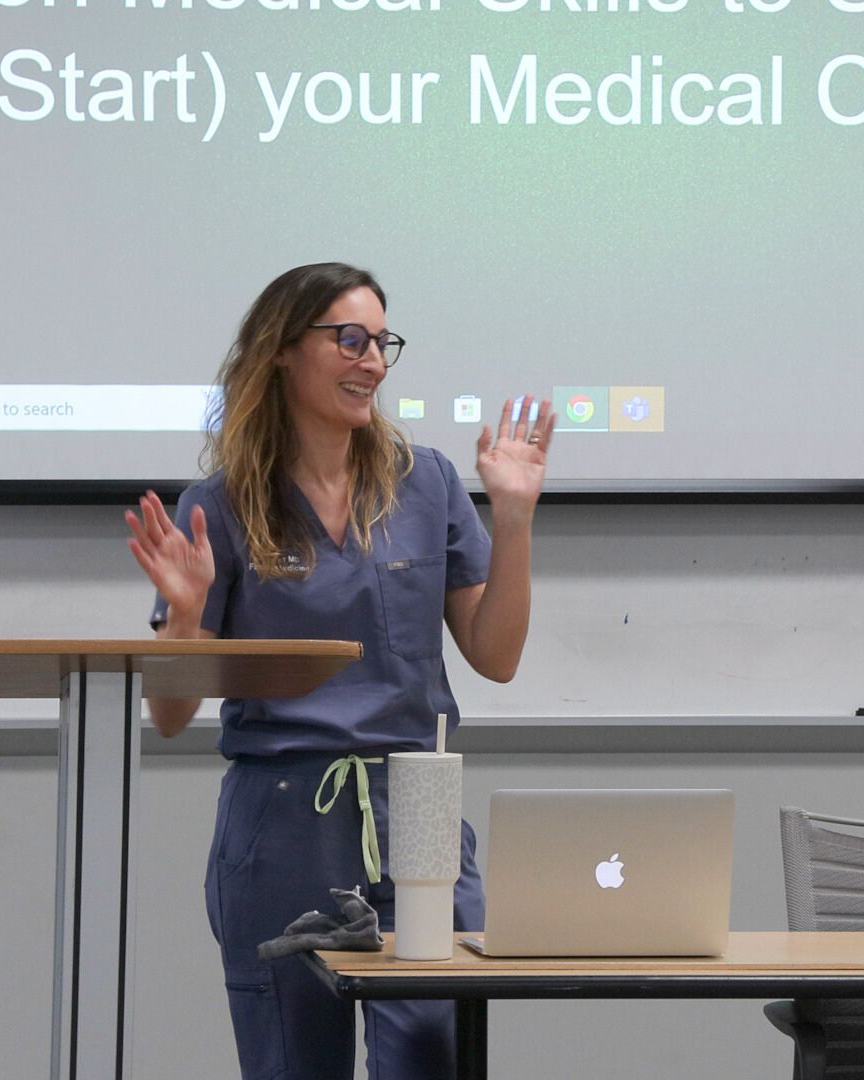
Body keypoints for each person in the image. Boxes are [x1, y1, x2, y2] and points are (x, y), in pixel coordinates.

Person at [126, 262, 554, 1079]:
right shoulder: (220, 504)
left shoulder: (427, 482)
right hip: (285, 820)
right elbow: (172, 715)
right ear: (283, 349)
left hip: (417, 807)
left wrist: (514, 519)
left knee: (433, 1056)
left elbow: (496, 656)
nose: (373, 363)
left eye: (383, 343)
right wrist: (183, 616)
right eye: (350, 340)